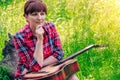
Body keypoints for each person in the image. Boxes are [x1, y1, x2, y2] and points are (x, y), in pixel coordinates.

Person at [13, 0, 78, 80]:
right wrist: (39, 40)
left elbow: (59, 53)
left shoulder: (50, 27)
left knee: (72, 76)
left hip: (49, 68)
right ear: (26, 16)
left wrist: (39, 64)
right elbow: (34, 68)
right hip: (29, 75)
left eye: (42, 14)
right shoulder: (19, 37)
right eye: (34, 14)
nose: (39, 18)